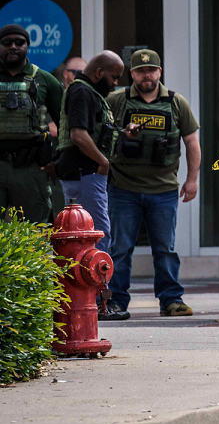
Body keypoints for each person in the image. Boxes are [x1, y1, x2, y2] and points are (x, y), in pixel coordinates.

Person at [101, 49, 200, 320]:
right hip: (123, 188)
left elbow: (192, 142)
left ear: (159, 72)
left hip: (163, 189)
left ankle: (171, 300)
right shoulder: (117, 100)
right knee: (120, 249)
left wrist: (192, 180)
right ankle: (116, 301)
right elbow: (100, 131)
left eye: (152, 70)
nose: (147, 75)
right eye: (141, 71)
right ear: (132, 74)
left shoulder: (176, 102)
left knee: (165, 248)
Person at [57, 52, 126, 257]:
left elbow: (95, 131)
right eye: (113, 77)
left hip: (86, 173)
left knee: (88, 234)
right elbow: (78, 134)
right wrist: (103, 162)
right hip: (85, 173)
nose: (115, 84)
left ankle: (92, 286)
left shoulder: (87, 92)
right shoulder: (82, 92)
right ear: (98, 73)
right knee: (96, 235)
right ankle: (95, 287)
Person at [0, 24, 64, 224]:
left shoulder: (45, 80)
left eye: (19, 42)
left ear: (28, 46)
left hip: (31, 167)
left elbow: (67, 124)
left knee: (35, 233)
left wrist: (58, 160)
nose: (13, 47)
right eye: (7, 43)